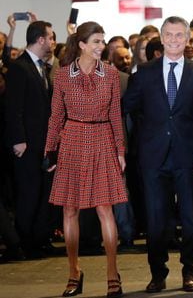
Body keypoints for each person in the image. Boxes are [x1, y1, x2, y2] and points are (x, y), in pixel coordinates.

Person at [123, 16, 193, 293]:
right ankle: (157, 273)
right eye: (169, 35)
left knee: (190, 218)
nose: (174, 40)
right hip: (152, 157)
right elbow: (126, 108)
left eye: (179, 35)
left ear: (187, 40)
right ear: (161, 39)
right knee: (156, 218)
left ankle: (190, 271)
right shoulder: (144, 73)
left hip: (188, 155)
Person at [44, 21, 127, 298]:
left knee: (105, 209)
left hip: (103, 138)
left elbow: (116, 114)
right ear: (81, 44)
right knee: (69, 210)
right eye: (96, 42)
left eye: (102, 41)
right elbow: (56, 115)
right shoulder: (63, 74)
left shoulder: (112, 74)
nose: (101, 46)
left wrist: (120, 151)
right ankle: (73, 272)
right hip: (72, 140)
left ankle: (112, 273)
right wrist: (50, 150)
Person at [4, 20, 56, 259]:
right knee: (28, 194)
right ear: (41, 39)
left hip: (43, 143)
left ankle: (39, 239)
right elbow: (13, 108)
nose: (53, 42)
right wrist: (18, 139)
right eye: (51, 37)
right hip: (26, 144)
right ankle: (25, 243)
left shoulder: (41, 67)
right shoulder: (19, 67)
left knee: (43, 193)